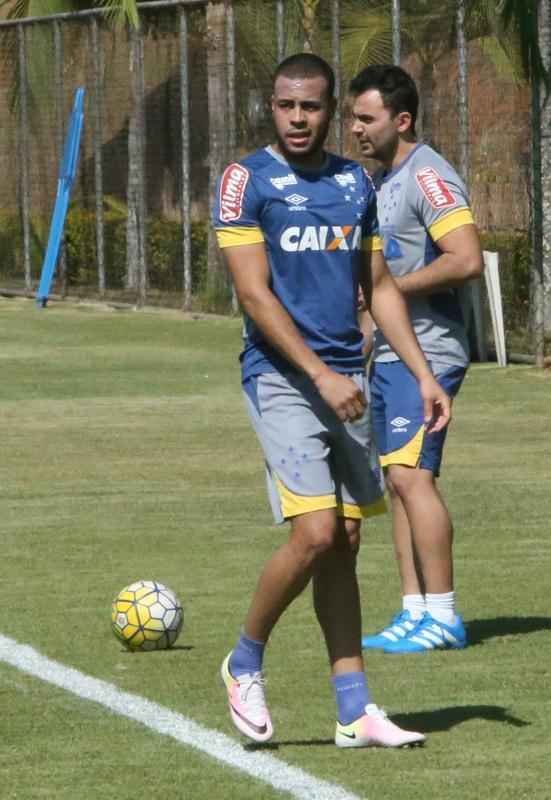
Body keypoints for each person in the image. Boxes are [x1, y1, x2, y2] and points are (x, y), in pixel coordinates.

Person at [211, 53, 450, 749]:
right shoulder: (244, 180)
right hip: (284, 376)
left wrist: (422, 372)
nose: (296, 119)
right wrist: (318, 373)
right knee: (314, 532)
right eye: (286, 106)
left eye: (310, 107)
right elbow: (252, 293)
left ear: (329, 111)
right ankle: (244, 660)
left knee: (344, 543)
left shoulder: (353, 183)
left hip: (347, 379)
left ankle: (354, 711)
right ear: (271, 106)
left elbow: (377, 284)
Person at [348, 65, 484, 654]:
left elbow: (466, 258)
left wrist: (392, 292)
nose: (354, 128)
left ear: (401, 121)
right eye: (353, 117)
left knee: (413, 476)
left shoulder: (428, 174)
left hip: (430, 350)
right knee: (398, 480)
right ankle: (414, 610)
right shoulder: (382, 180)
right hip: (393, 353)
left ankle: (446, 616)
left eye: (366, 118)